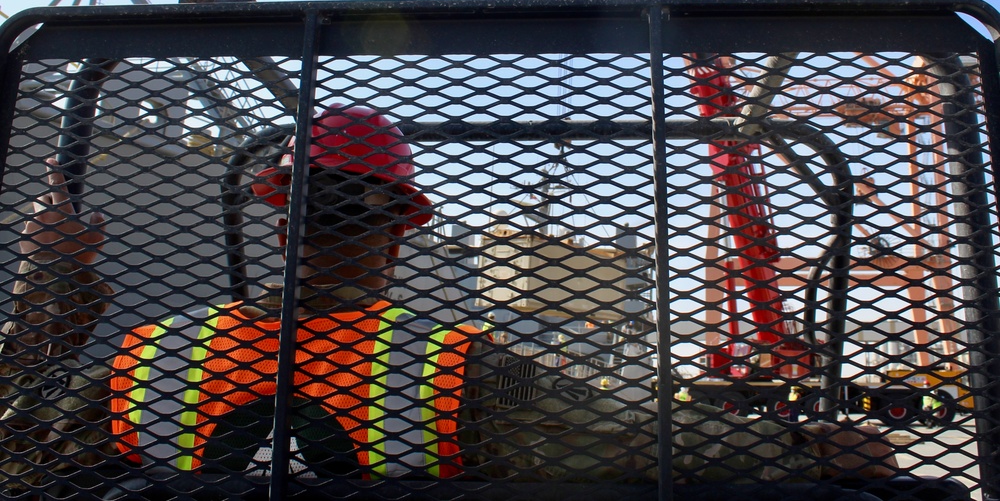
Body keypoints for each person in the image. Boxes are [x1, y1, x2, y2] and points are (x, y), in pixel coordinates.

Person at [0, 104, 899, 494]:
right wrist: (807, 447)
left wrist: (53, 290)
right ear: (400, 233)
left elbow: (22, 461)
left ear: (279, 222)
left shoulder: (141, 359)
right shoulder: (457, 373)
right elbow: (638, 445)